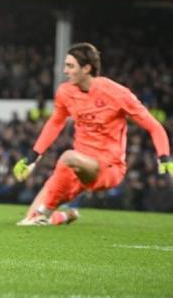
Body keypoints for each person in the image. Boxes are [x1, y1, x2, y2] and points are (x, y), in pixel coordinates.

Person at [13, 43, 172, 226]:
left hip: (108, 167)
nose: (65, 71)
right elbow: (55, 123)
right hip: (78, 168)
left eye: (70, 66)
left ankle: (45, 213)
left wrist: (164, 156)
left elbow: (154, 126)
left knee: (67, 157)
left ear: (87, 68)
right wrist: (32, 157)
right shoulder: (65, 92)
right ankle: (64, 216)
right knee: (29, 216)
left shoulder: (117, 93)